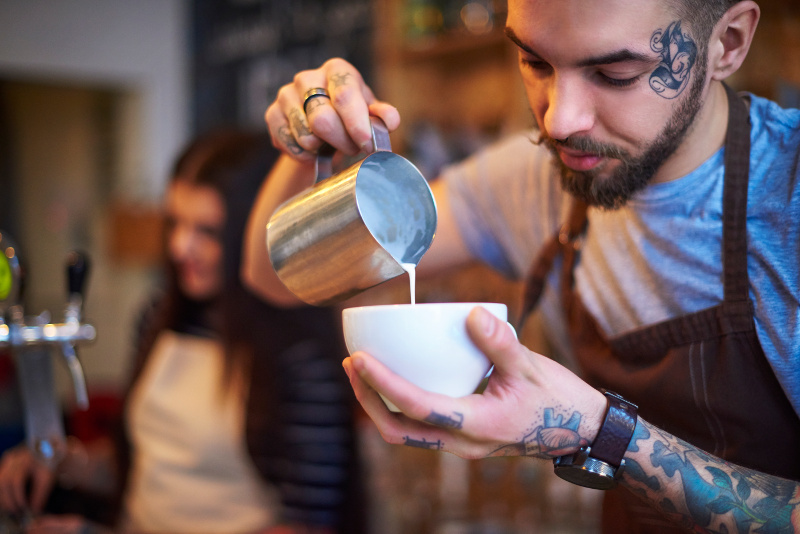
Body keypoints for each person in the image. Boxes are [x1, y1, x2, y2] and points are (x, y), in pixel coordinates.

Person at [241, 0, 800, 532]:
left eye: (615, 73)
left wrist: (600, 434)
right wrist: (308, 149)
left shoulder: (788, 198)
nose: (559, 120)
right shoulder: (538, 181)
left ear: (728, 43)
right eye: (535, 62)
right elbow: (279, 277)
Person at [0, 130, 365, 534]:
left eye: (207, 231)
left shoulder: (297, 353)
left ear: (258, 229)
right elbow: (152, 465)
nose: (179, 246)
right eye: (175, 222)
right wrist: (68, 463)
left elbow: (307, 526)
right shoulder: (160, 316)